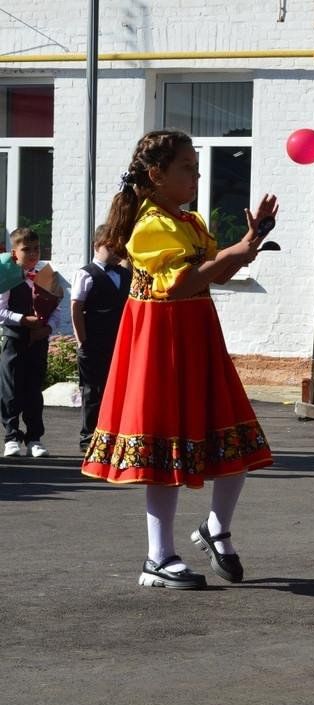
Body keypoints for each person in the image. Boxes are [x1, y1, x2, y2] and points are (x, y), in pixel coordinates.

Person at [81, 130, 276, 590]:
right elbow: (182, 283)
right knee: (163, 447)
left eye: (196, 166)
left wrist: (249, 242)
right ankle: (158, 557)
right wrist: (234, 252)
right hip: (161, 342)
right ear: (156, 174)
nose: (196, 174)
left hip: (196, 335)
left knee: (234, 436)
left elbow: (215, 274)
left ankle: (215, 529)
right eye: (187, 167)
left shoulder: (186, 221)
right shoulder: (150, 225)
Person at [0, 227, 62, 459]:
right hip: (15, 339)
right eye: (27, 250)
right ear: (14, 253)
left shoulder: (47, 275)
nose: (33, 254)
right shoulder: (7, 277)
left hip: (38, 341)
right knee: (11, 389)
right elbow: (1, 310)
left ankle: (34, 438)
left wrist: (48, 328)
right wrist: (22, 320)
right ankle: (11, 436)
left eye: (36, 249)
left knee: (34, 390)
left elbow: (57, 311)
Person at [70, 224, 131, 453]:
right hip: (94, 341)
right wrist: (82, 340)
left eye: (119, 247)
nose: (116, 251)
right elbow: (76, 307)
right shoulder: (86, 273)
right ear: (97, 246)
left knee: (118, 389)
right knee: (92, 390)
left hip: (119, 341)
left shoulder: (125, 274)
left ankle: (115, 435)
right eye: (110, 247)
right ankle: (89, 439)